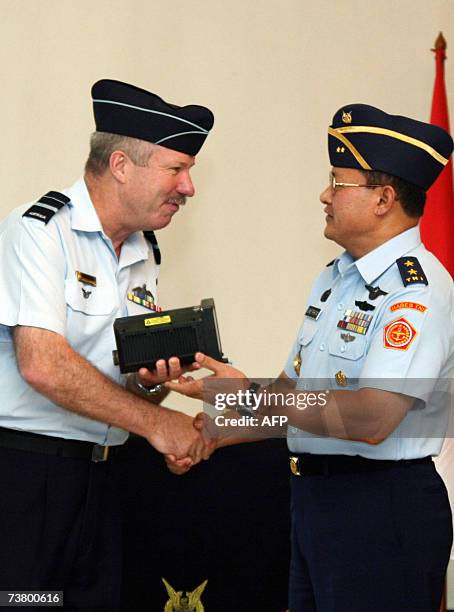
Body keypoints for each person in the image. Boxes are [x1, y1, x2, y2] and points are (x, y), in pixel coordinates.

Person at [165, 104, 454, 612]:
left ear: (384, 198)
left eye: (338, 183)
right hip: (314, 504)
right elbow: (291, 395)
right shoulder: (336, 277)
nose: (324, 194)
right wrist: (219, 420)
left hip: (380, 511)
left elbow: (372, 416)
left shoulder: (418, 291)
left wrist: (244, 394)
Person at [0, 79, 215, 610]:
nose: (188, 187)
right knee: (27, 605)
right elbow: (43, 366)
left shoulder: (146, 252)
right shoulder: (40, 231)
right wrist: (158, 425)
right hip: (27, 480)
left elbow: (122, 391)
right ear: (121, 165)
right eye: (176, 168)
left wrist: (153, 388)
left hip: (105, 479)